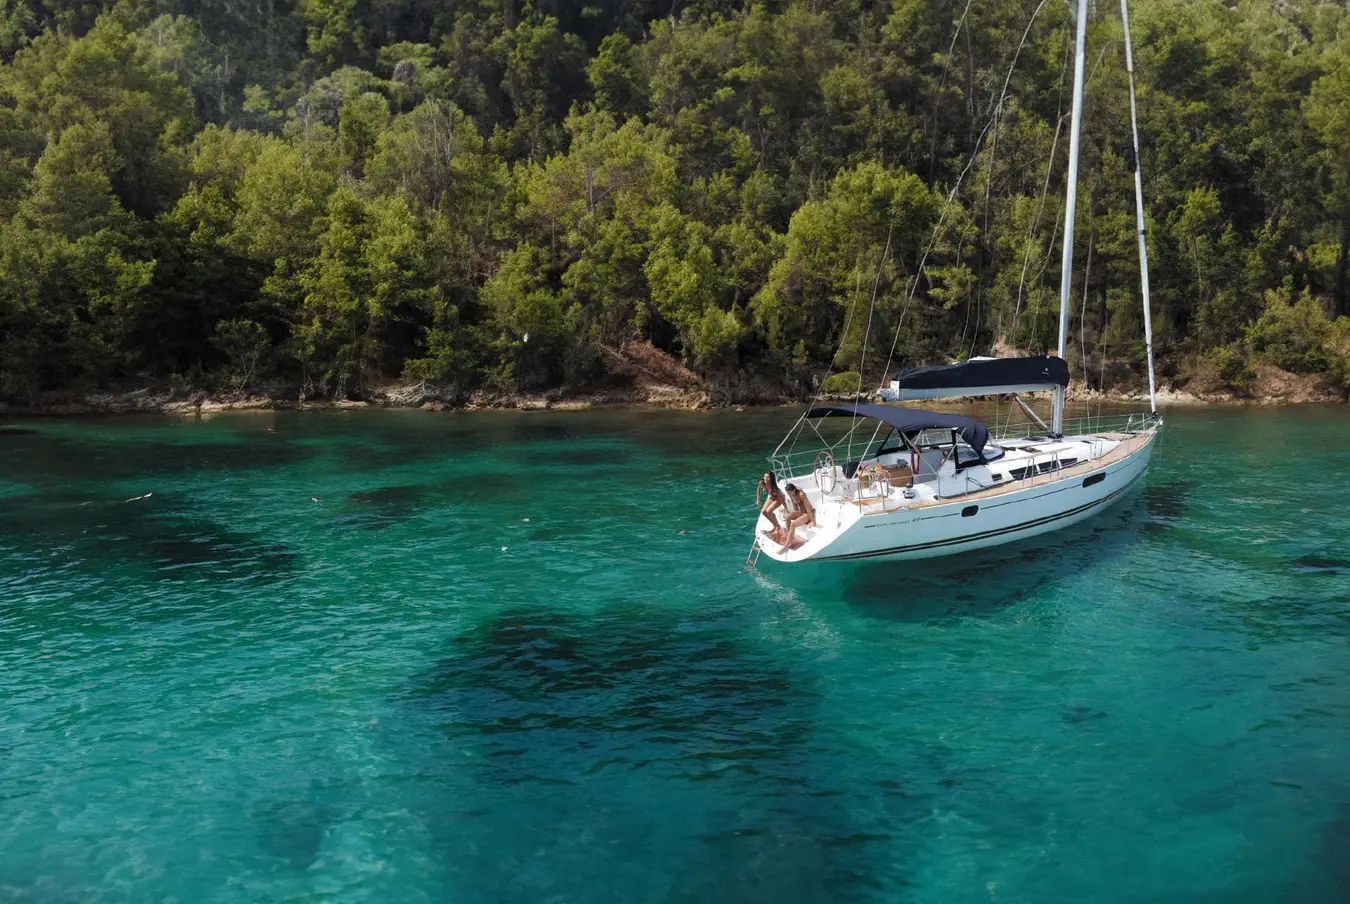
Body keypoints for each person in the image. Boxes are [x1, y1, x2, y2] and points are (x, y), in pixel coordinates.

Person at [781, 483, 817, 549]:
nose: (789, 494)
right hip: (801, 512)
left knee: (793, 524)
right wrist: (790, 514)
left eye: (789, 493)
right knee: (787, 518)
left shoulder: (801, 494)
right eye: (787, 493)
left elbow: (807, 508)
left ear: (794, 490)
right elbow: (795, 508)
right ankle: (791, 537)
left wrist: (812, 521)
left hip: (808, 513)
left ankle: (786, 545)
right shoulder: (791, 495)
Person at [757, 471, 786, 543]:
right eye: (765, 476)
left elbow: (781, 498)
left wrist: (786, 508)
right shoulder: (762, 482)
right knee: (763, 512)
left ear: (771, 479)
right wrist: (758, 499)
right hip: (772, 497)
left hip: (779, 498)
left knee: (769, 511)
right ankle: (774, 525)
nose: (765, 478)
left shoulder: (774, 488)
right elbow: (758, 489)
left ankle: (778, 526)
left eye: (767, 477)